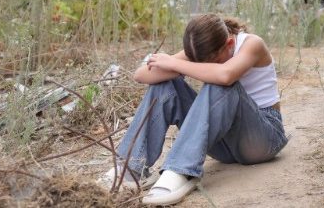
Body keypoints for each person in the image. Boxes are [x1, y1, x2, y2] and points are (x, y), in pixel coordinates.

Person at [99, 14, 288, 205]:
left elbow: (225, 75)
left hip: (262, 139)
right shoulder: (203, 48)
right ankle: (131, 168)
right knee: (163, 84)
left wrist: (174, 63)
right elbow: (140, 75)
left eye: (212, 60)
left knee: (222, 84)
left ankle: (180, 170)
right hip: (224, 145)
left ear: (230, 43)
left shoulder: (252, 44)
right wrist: (171, 67)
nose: (207, 65)